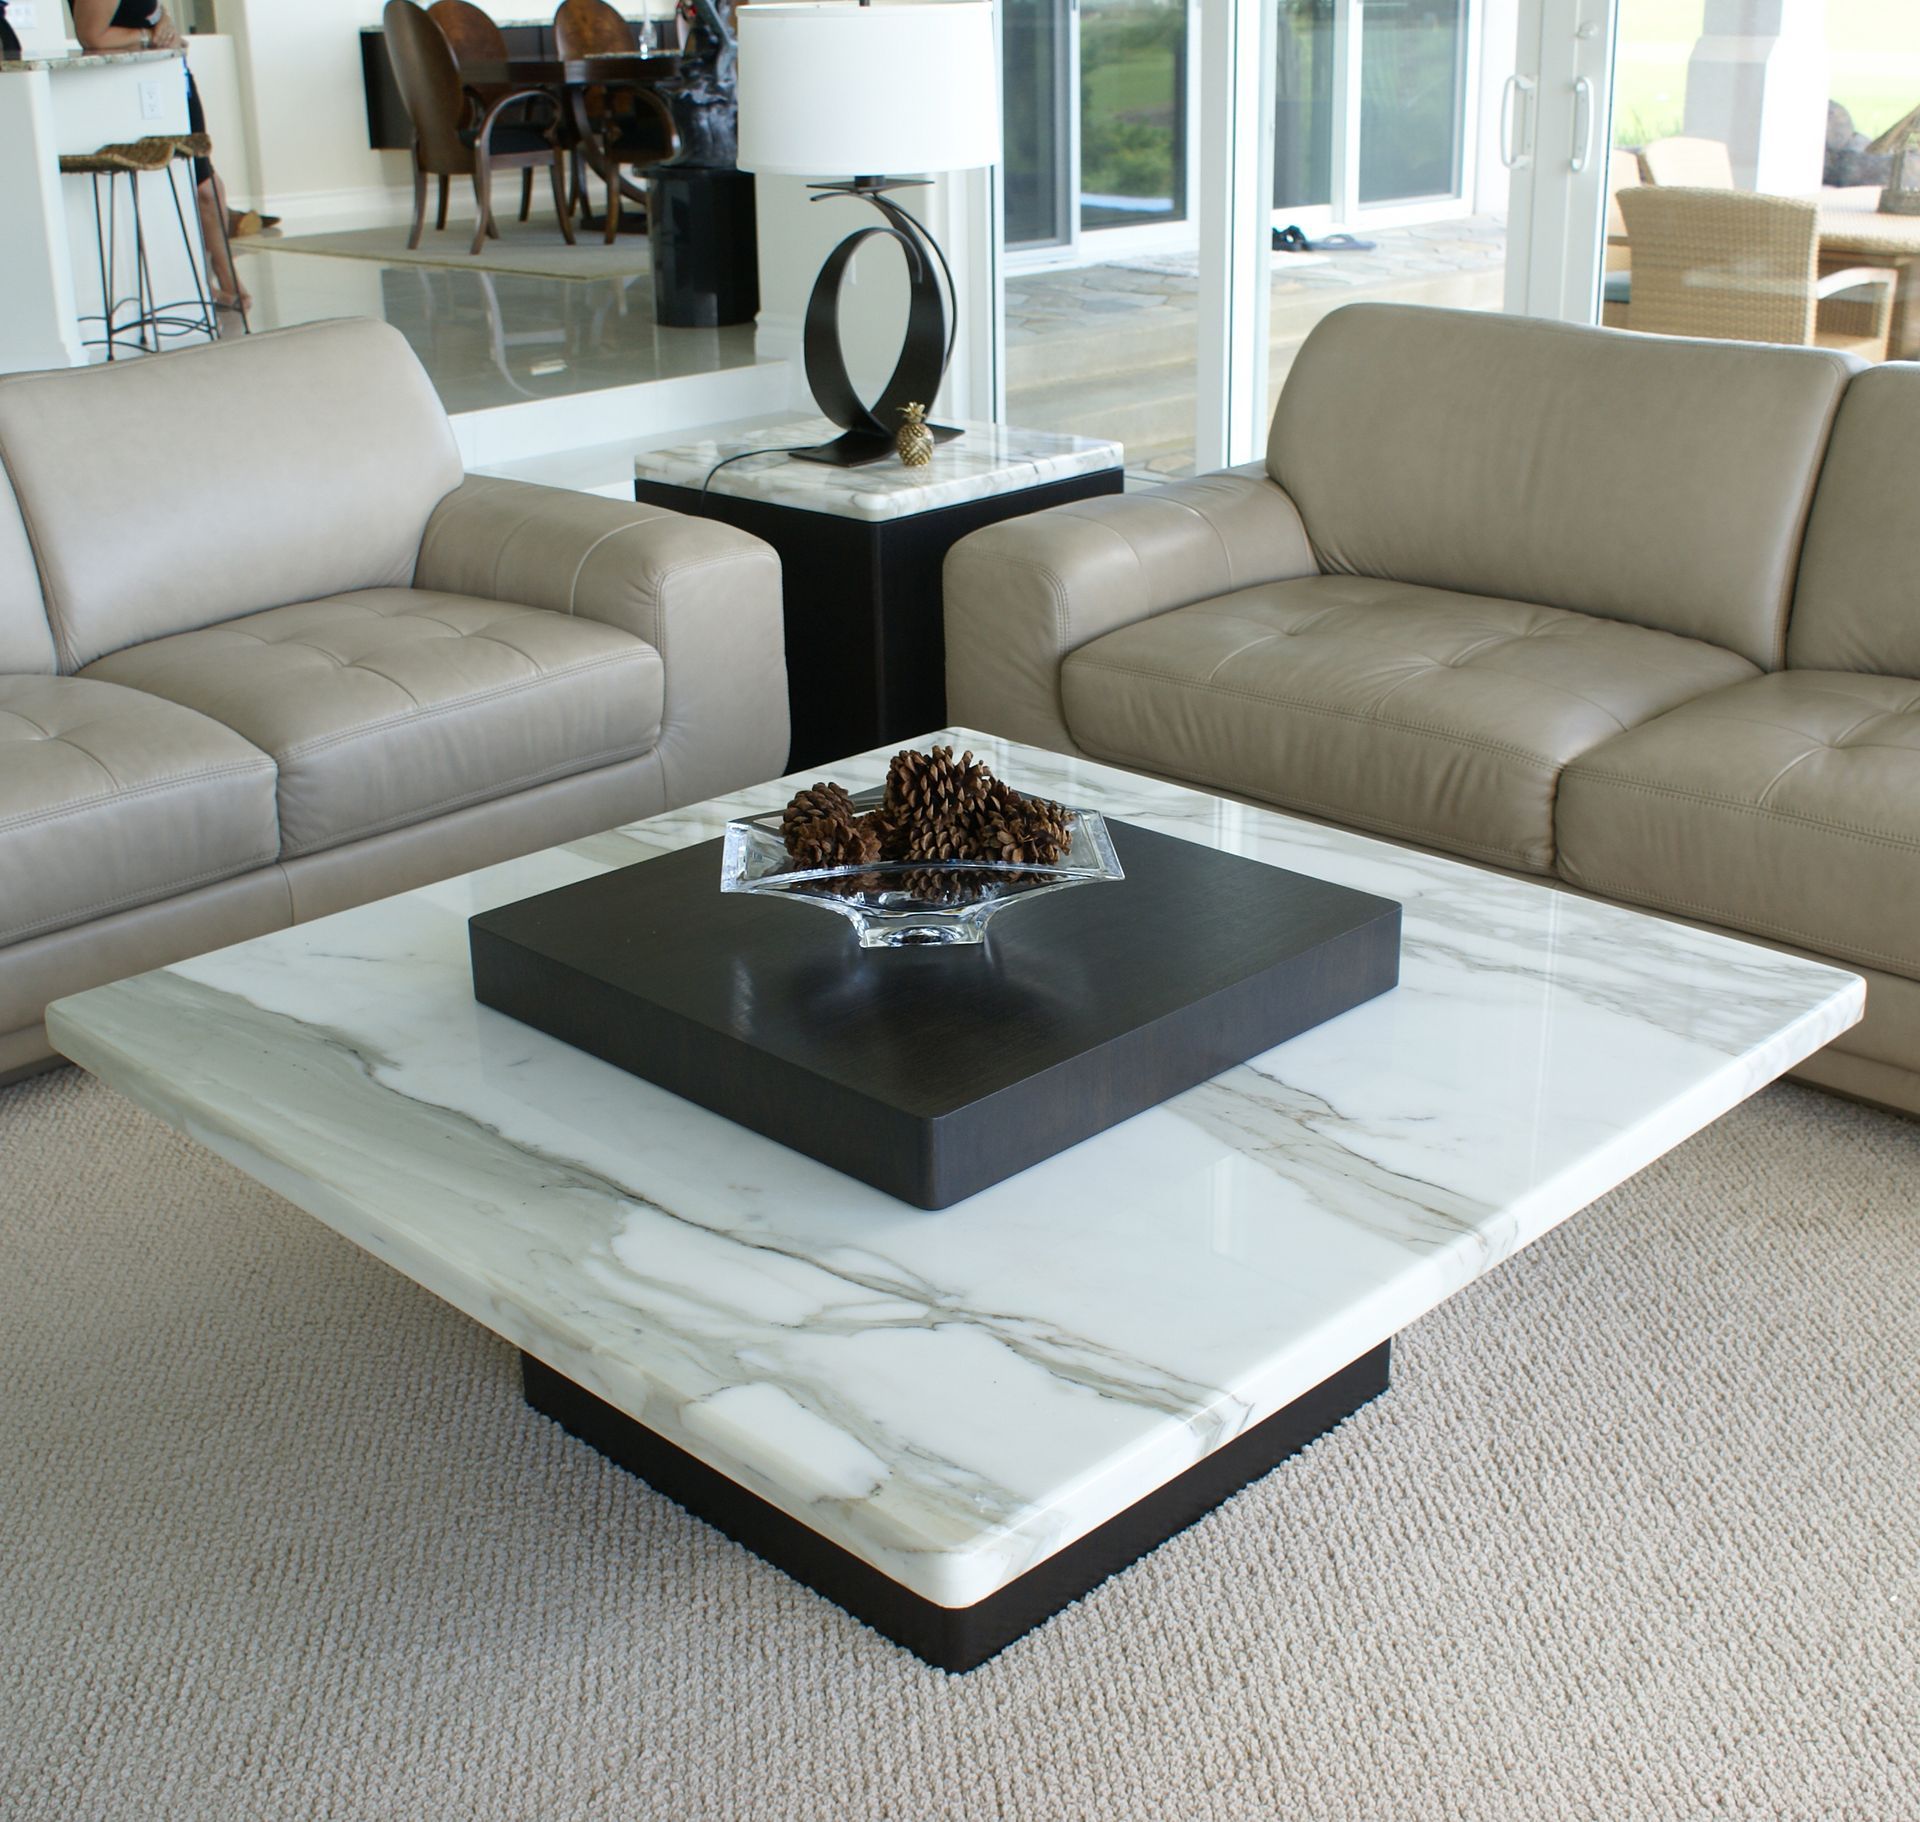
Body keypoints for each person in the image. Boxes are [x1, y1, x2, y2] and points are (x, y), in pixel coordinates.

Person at [70, 0, 252, 313]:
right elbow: (93, 37)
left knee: (209, 184)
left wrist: (165, 21)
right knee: (203, 188)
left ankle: (222, 277)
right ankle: (213, 283)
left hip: (171, 79)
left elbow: (152, 13)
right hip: (134, 87)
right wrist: (148, 35)